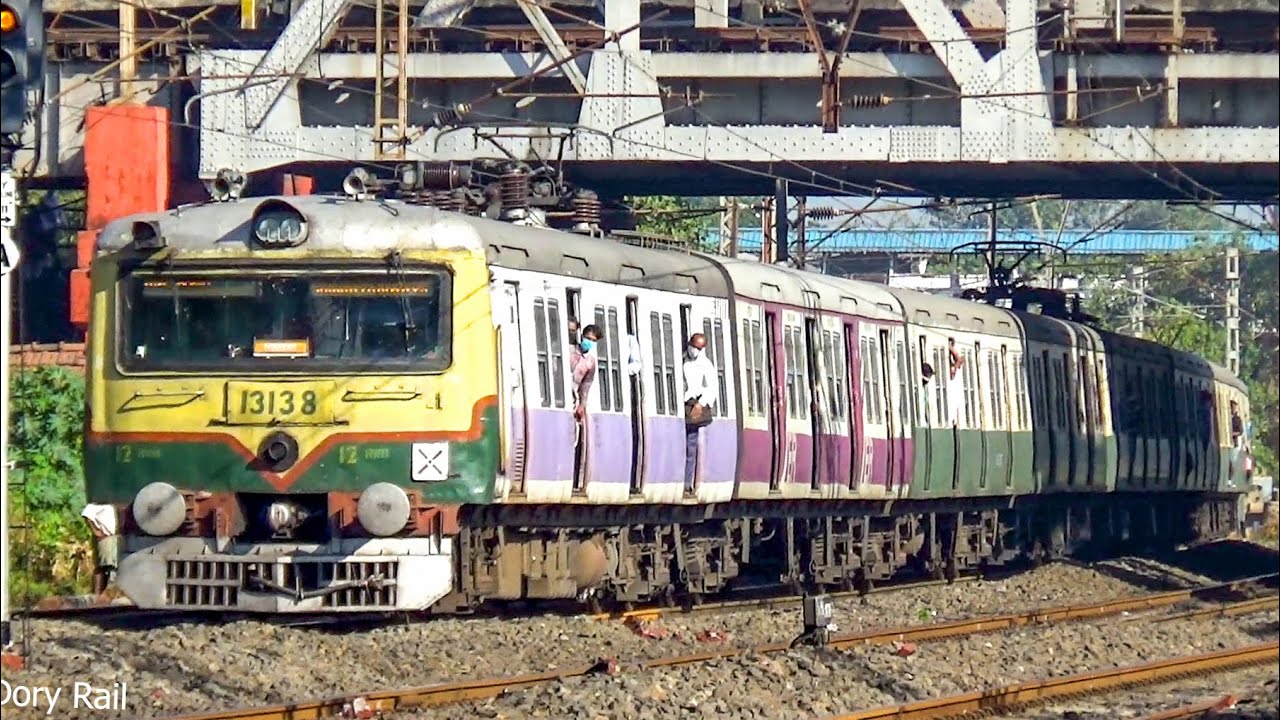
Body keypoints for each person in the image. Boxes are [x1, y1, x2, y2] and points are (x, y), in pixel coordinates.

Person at [682, 333, 719, 493]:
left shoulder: (706, 365)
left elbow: (712, 388)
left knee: (691, 446)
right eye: (693, 346)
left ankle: (687, 482)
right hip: (682, 404)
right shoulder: (682, 360)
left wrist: (701, 403)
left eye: (698, 348)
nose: (694, 350)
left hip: (695, 406)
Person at [571, 324, 603, 419]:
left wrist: (582, 405)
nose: (590, 342)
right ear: (582, 336)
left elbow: (586, 385)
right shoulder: (570, 351)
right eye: (588, 338)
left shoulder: (590, 362)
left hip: (573, 400)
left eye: (593, 340)